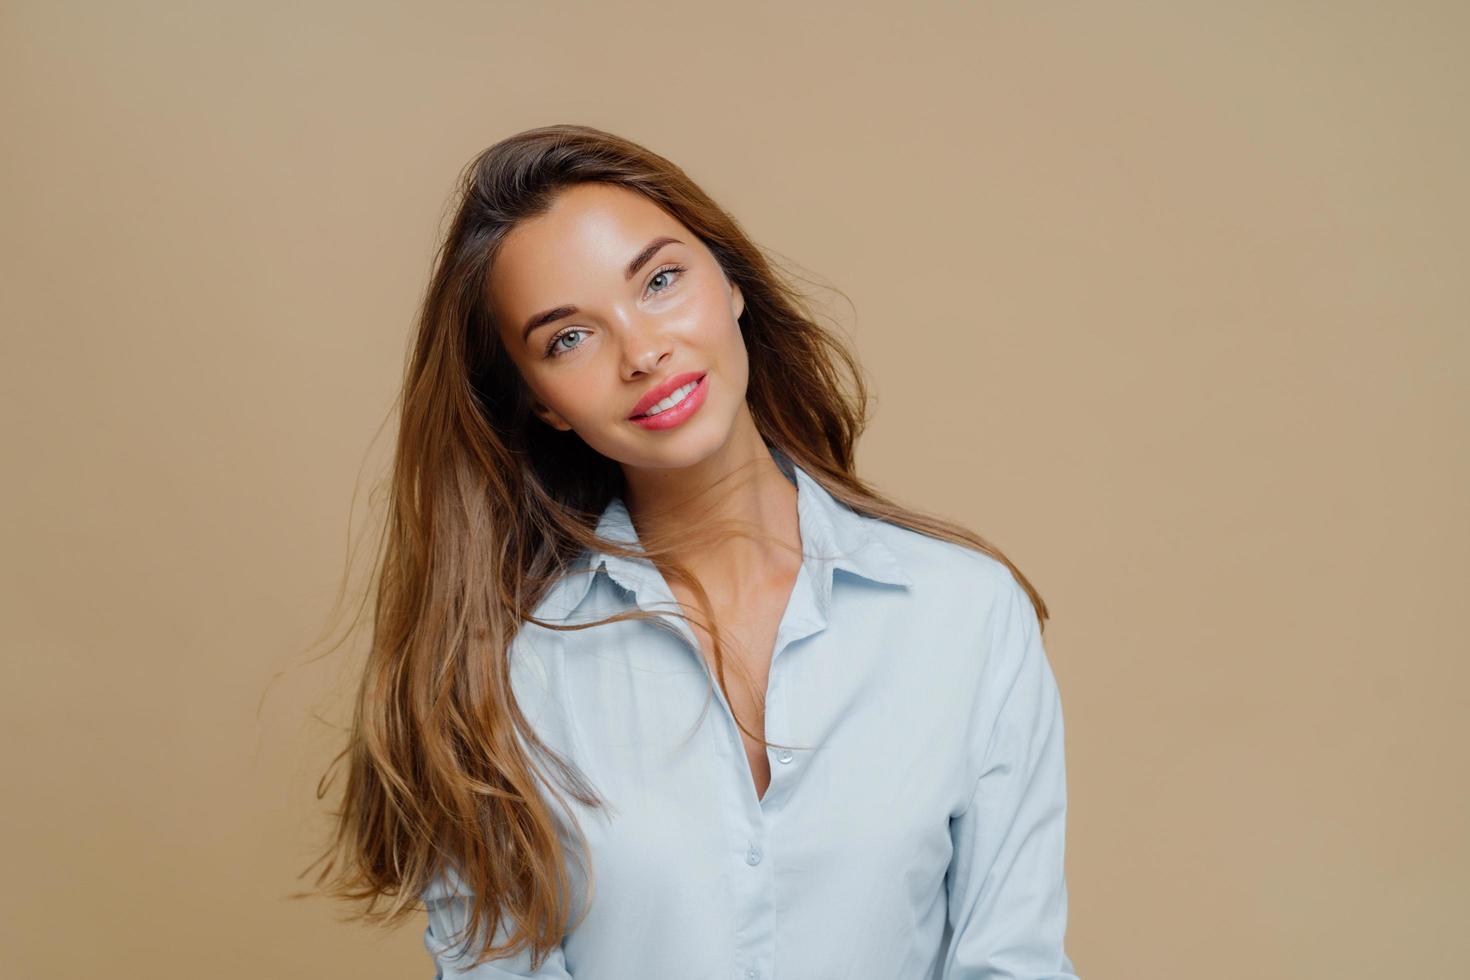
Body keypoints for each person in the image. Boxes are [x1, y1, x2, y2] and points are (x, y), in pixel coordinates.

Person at [306, 124, 1079, 979]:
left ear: (731, 281)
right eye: (569, 337)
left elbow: (1013, 963)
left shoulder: (965, 615)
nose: (643, 353)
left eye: (661, 281)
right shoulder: (494, 678)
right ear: (541, 403)